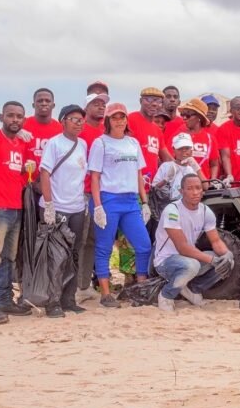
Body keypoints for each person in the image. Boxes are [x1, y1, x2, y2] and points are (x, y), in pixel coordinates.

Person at [88, 102, 153, 308]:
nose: (119, 121)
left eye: (122, 117)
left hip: (130, 200)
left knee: (143, 245)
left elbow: (138, 173)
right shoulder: (101, 143)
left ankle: (140, 287)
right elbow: (95, 177)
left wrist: (145, 202)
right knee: (104, 247)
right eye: (115, 117)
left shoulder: (132, 143)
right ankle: (106, 293)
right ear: (108, 120)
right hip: (109, 199)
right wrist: (98, 205)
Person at [0, 101, 32, 324]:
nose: (15, 120)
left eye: (19, 116)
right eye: (10, 115)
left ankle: (5, 299)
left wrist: (28, 168)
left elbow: (18, 176)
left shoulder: (20, 143)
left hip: (16, 207)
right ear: (2, 117)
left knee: (8, 258)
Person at [37, 104, 91, 317]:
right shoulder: (54, 144)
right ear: (63, 121)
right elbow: (44, 173)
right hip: (57, 208)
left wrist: (84, 203)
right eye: (74, 119)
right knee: (56, 256)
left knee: (73, 255)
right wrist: (49, 204)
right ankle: (52, 302)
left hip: (77, 207)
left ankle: (68, 298)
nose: (78, 123)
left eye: (81, 120)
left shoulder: (83, 144)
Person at [153, 174, 234, 312]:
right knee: (193, 265)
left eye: (198, 188)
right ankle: (166, 296)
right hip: (165, 261)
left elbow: (215, 241)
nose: (195, 192)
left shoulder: (205, 211)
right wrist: (212, 260)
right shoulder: (172, 211)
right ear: (181, 191)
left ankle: (194, 289)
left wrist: (227, 255)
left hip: (188, 259)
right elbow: (182, 247)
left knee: (228, 261)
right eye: (190, 188)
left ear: (203, 191)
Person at [76, 91, 110, 303]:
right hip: (81, 192)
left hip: (101, 193)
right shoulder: (80, 130)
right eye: (95, 104)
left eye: (103, 104)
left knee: (92, 240)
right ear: (86, 107)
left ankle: (85, 284)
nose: (100, 107)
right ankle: (73, 286)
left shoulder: (105, 132)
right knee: (79, 239)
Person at [128, 87, 172, 180]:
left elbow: (167, 159)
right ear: (140, 101)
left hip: (151, 186)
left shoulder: (157, 130)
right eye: (149, 99)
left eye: (159, 101)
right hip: (131, 185)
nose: (154, 104)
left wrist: (184, 168)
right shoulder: (130, 119)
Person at [22, 88, 62, 175]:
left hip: (50, 183)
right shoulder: (22, 126)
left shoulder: (61, 129)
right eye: (40, 101)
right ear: (33, 105)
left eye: (47, 101)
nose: (44, 103)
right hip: (24, 184)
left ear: (53, 105)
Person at [153, 133, 205, 200]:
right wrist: (166, 180)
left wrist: (196, 167)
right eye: (180, 148)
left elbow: (205, 186)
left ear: (191, 149)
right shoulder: (165, 166)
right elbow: (154, 189)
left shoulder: (192, 169)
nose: (184, 151)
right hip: (169, 205)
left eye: (187, 148)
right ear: (174, 149)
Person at [178, 98, 220, 180]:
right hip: (182, 186)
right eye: (183, 115)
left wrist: (212, 181)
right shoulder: (179, 135)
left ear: (199, 117)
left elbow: (214, 164)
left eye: (188, 115)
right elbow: (171, 160)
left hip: (204, 186)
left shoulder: (210, 139)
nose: (184, 118)